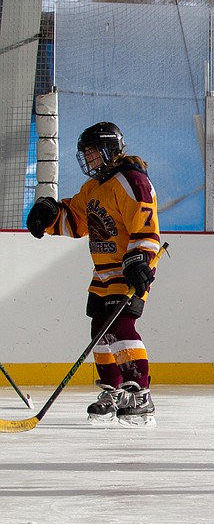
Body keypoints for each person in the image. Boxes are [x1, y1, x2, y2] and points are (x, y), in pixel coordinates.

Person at [25, 122, 162, 427]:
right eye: (85, 154)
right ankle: (114, 392)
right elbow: (75, 220)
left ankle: (140, 393)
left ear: (110, 150)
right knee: (100, 333)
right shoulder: (94, 188)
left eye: (92, 152)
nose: (88, 159)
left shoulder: (131, 181)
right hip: (102, 275)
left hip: (128, 272)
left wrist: (140, 260)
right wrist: (49, 216)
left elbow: (146, 226)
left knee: (122, 330)